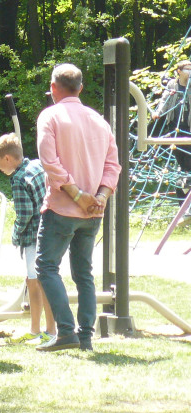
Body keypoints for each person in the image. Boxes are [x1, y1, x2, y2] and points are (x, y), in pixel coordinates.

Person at [34, 63, 121, 353]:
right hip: (93, 211)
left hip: (61, 209)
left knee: (46, 267)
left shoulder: (50, 116)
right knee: (84, 273)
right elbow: (113, 165)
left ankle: (66, 331)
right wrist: (101, 196)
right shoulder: (99, 121)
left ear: (53, 87)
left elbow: (49, 162)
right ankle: (86, 337)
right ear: (80, 88)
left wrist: (77, 194)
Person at [0, 132, 56, 345]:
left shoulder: (19, 179)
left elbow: (25, 213)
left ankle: (48, 330)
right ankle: (37, 329)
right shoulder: (36, 166)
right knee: (35, 281)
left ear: (7, 158)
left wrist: (16, 234)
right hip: (49, 231)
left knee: (38, 282)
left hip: (32, 237)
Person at [152, 59, 191, 191]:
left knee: (188, 155)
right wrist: (158, 112)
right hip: (175, 127)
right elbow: (165, 100)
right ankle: (183, 182)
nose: (190, 72)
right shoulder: (172, 85)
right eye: (187, 69)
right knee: (179, 154)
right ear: (179, 71)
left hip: (189, 127)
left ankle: (186, 179)